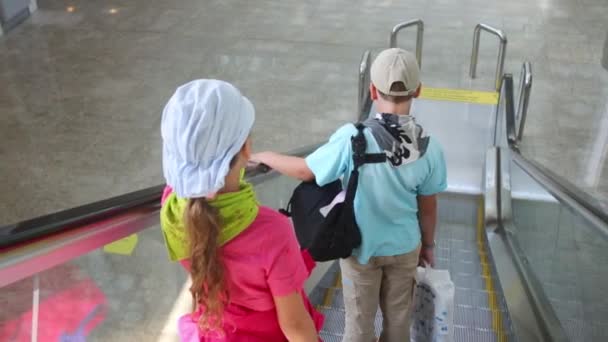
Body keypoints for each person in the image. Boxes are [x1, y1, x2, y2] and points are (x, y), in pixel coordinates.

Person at [252, 48, 447, 342]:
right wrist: (428, 245)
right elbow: (428, 207)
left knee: (358, 327)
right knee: (398, 326)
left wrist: (267, 155)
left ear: (372, 90)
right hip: (406, 248)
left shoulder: (352, 138)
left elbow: (307, 171)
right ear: (417, 90)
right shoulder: (430, 149)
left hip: (359, 249)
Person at [160, 80, 323, 342]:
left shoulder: (172, 206)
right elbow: (294, 325)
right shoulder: (273, 232)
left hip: (214, 329)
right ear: (247, 149)